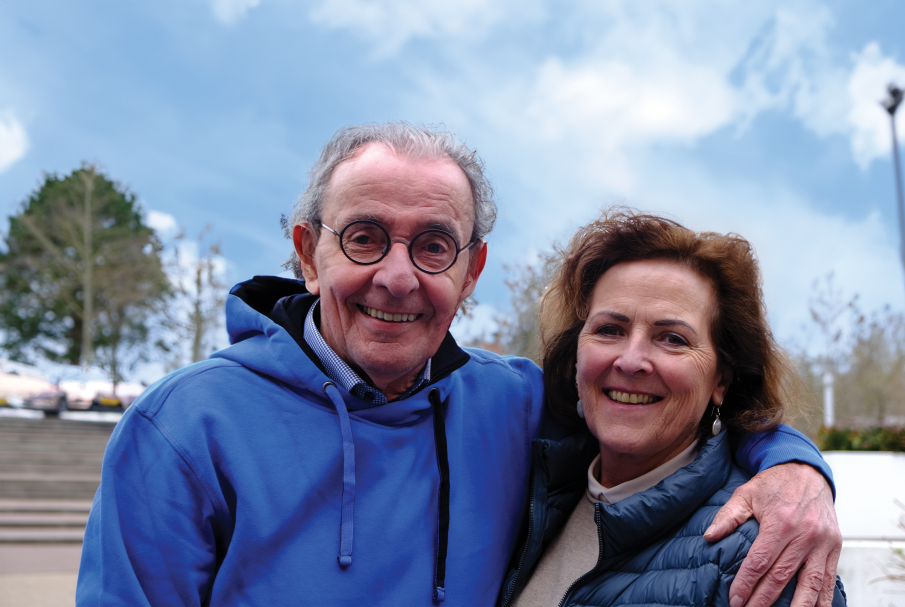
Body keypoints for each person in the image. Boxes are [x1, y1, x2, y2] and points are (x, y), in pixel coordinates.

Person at [77, 123, 840, 607]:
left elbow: (663, 408)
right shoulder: (181, 428)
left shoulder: (512, 403)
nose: (397, 277)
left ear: (471, 272)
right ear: (308, 253)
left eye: (433, 245)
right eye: (364, 237)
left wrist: (794, 467)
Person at [499, 210, 847, 607]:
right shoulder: (531, 495)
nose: (631, 361)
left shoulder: (762, 553)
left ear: (721, 380)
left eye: (673, 339)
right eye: (609, 330)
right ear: (575, 353)